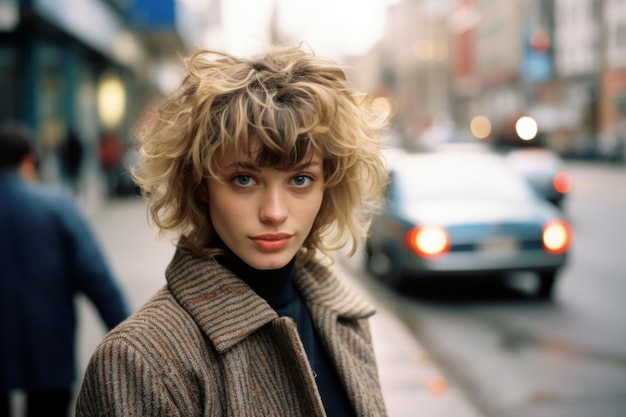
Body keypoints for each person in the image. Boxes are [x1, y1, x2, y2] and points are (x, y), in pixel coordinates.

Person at [76, 45, 391, 417]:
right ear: (200, 185)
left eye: (301, 179)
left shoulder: (343, 320)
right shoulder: (140, 360)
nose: (274, 213)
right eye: (244, 179)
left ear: (329, 186)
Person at [0, 121, 130, 417]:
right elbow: (96, 278)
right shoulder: (57, 205)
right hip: (49, 351)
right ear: (29, 161)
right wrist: (130, 336)